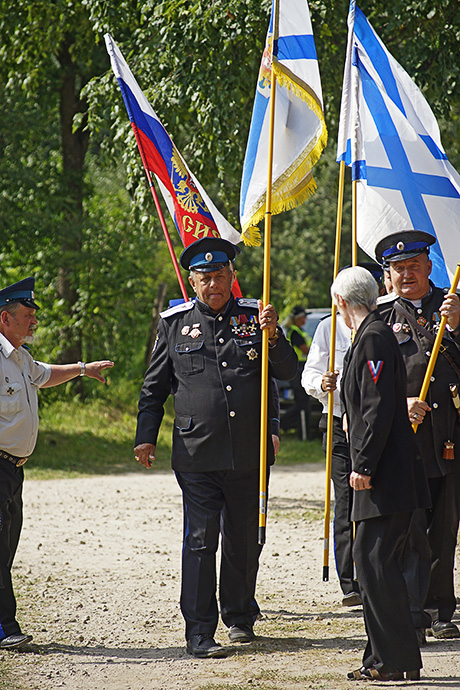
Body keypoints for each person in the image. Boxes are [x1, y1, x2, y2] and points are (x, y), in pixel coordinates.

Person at [134, 237, 297, 659]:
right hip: (197, 453)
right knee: (201, 540)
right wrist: (145, 435)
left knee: (243, 539)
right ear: (193, 282)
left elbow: (287, 373)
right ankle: (199, 632)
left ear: (232, 277)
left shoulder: (255, 317)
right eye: (205, 278)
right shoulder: (174, 323)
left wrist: (273, 336)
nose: (213, 284)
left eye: (220, 276)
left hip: (248, 451)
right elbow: (154, 388)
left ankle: (240, 617)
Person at [0, 277, 114, 650]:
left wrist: (83, 368)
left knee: (7, 547)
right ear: (5, 318)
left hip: (13, 470)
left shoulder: (20, 357)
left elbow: (46, 375)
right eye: (28, 316)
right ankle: (5, 627)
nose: (34, 322)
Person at [332, 266, 429, 681]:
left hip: (384, 475)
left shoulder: (372, 337)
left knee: (373, 562)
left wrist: (363, 465)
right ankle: (384, 658)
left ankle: (395, 661)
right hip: (386, 473)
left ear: (340, 303)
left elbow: (374, 407)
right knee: (371, 562)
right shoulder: (369, 334)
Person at [376, 230, 460, 642]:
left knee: (444, 529)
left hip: (448, 437)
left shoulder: (453, 306)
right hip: (403, 438)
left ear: (429, 266)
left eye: (414, 266)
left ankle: (441, 608)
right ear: (387, 274)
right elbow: (365, 385)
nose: (406, 274)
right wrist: (399, 401)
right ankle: (411, 612)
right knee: (408, 530)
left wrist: (458, 327)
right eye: (398, 268)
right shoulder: (378, 318)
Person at [301, 312, 360, 606]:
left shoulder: (383, 322)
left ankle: (377, 571)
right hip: (337, 421)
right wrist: (321, 382)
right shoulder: (329, 326)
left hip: (376, 421)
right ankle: (350, 581)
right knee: (346, 498)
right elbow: (308, 373)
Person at [281, 306, 312, 439]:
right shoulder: (295, 332)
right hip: (298, 369)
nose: (305, 319)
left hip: (301, 368)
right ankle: (303, 435)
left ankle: (283, 424)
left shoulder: (298, 330)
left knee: (302, 403)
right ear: (299, 318)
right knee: (303, 403)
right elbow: (305, 350)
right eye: (304, 316)